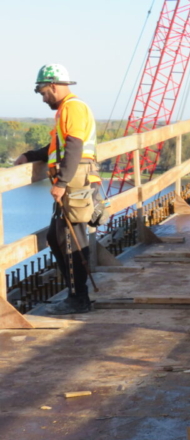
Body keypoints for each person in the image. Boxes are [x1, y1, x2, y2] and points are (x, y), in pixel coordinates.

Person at [14, 64, 97, 314]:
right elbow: (57, 148)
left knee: (69, 240)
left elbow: (74, 146)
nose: (43, 97)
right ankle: (77, 295)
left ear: (53, 85)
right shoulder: (66, 109)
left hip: (73, 182)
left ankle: (78, 298)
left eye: (43, 92)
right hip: (73, 180)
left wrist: (61, 183)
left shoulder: (72, 107)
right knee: (57, 238)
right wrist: (29, 155)